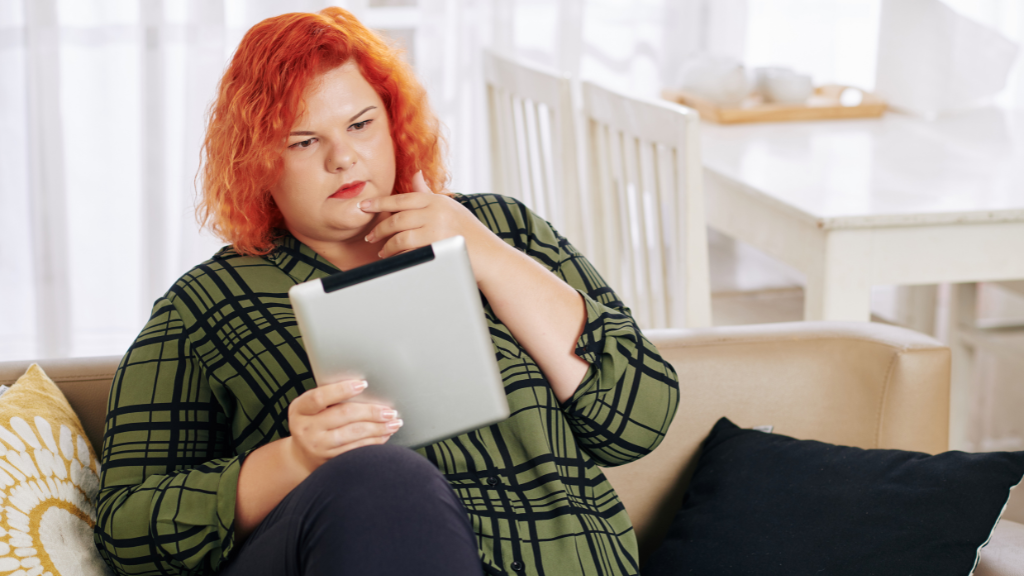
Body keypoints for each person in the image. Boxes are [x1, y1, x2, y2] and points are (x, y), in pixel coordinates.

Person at [94, 7, 679, 576]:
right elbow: (126, 533)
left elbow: (639, 421)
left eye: (360, 124)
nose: (343, 156)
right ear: (258, 164)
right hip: (352, 543)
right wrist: (295, 460)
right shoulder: (202, 305)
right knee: (381, 476)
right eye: (303, 142)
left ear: (393, 123)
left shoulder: (501, 228)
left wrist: (486, 255)